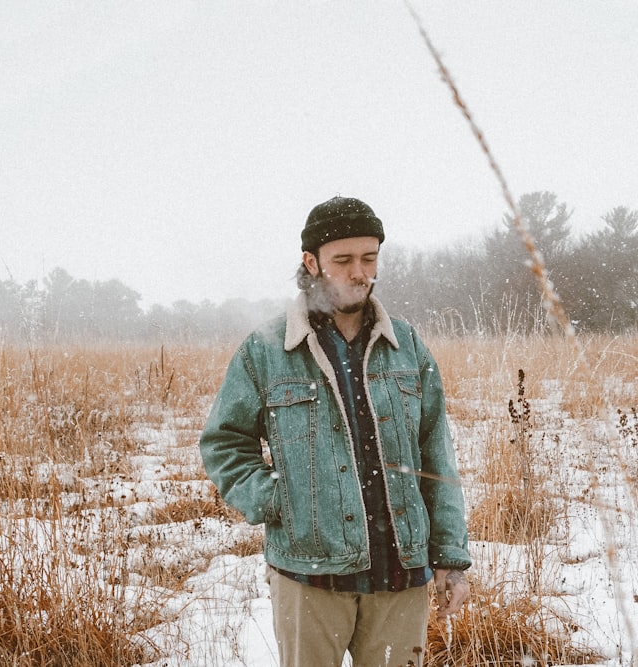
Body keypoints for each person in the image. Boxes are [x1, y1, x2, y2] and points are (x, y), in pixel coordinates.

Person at [199, 196, 471, 667]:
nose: (359, 272)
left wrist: (449, 555)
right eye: (342, 260)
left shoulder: (406, 346)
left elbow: (436, 455)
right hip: (309, 577)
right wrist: (277, 498)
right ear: (311, 263)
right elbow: (224, 443)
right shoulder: (265, 350)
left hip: (400, 576)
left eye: (369, 258)